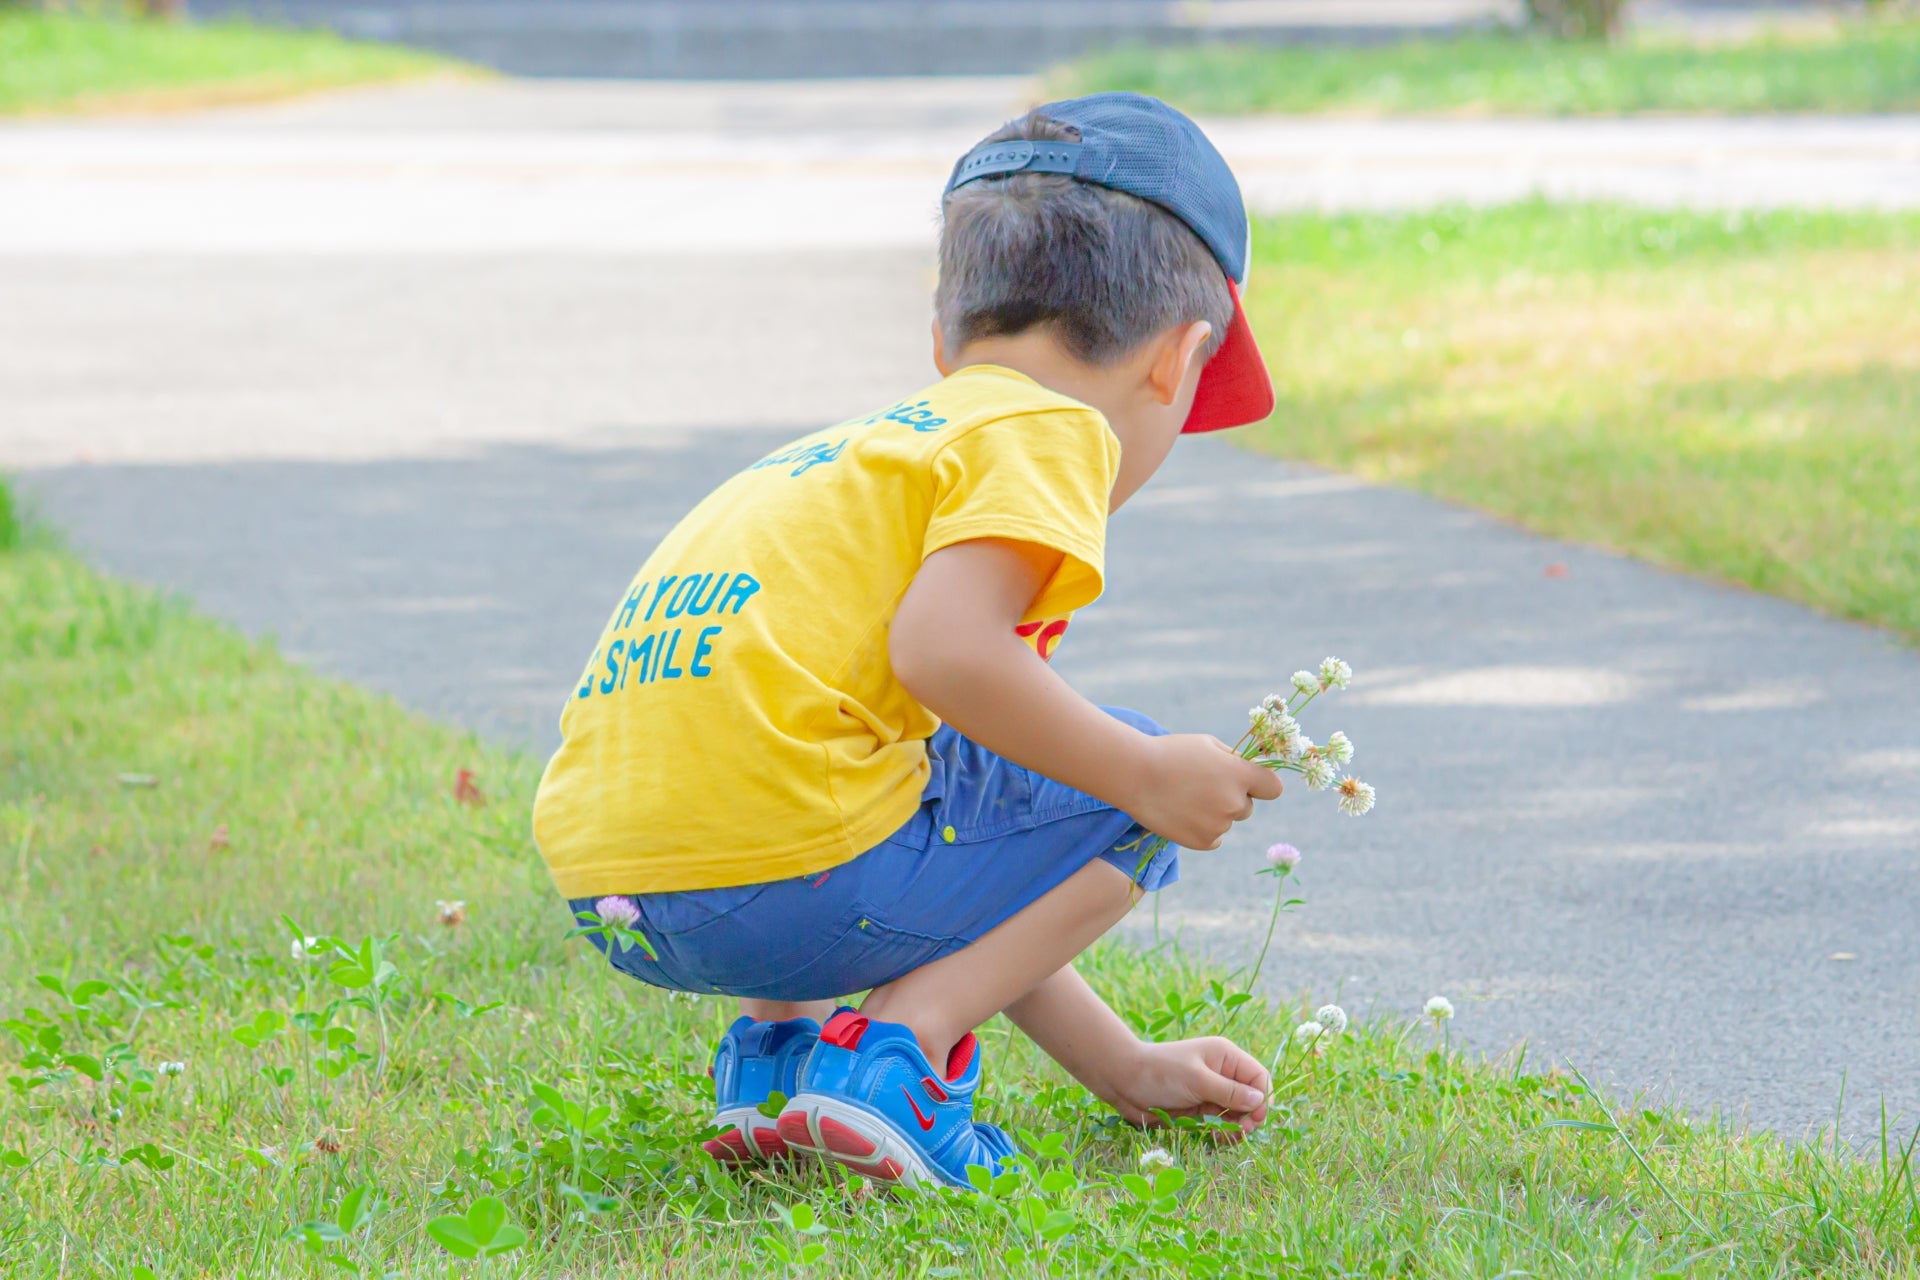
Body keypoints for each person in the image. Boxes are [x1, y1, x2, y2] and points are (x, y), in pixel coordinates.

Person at [532, 92, 1284, 1189]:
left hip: (623, 890)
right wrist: (1149, 774)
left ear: (943, 340)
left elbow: (975, 871)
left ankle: (778, 1064)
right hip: (791, 878)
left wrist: (1121, 1064)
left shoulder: (848, 459)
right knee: (1128, 783)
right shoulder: (1050, 431)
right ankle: (899, 1058)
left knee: (926, 775)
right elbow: (945, 652)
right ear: (1177, 361)